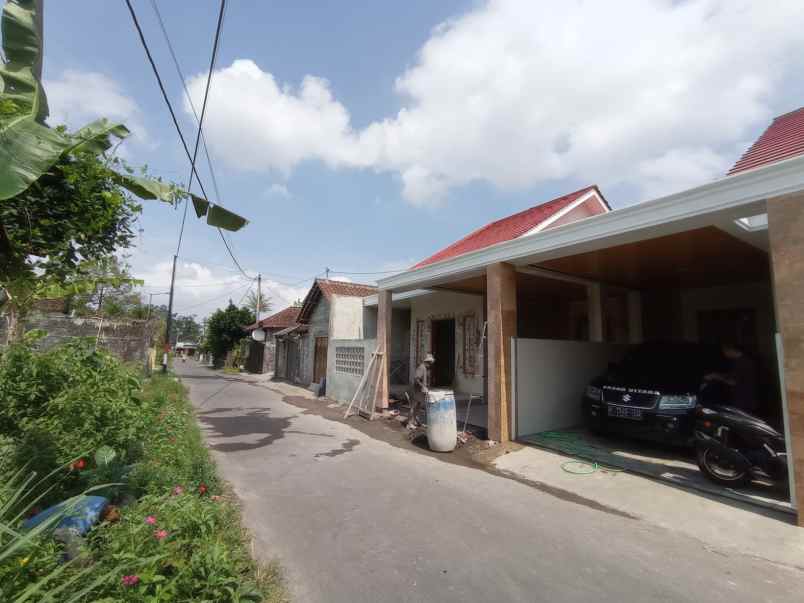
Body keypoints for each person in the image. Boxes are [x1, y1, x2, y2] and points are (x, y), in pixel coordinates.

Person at [703, 343, 757, 413]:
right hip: (747, 400)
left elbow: (732, 382)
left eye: (724, 351)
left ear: (731, 350)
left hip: (743, 401)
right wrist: (718, 375)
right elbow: (734, 376)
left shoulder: (741, 362)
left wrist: (716, 376)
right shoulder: (743, 360)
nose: (724, 354)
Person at [409, 353, 435, 428]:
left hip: (420, 391)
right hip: (416, 390)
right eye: (430, 363)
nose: (430, 365)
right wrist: (422, 386)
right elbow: (416, 379)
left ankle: (415, 421)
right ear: (427, 362)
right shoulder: (421, 367)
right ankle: (409, 423)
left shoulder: (425, 368)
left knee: (418, 406)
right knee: (413, 407)